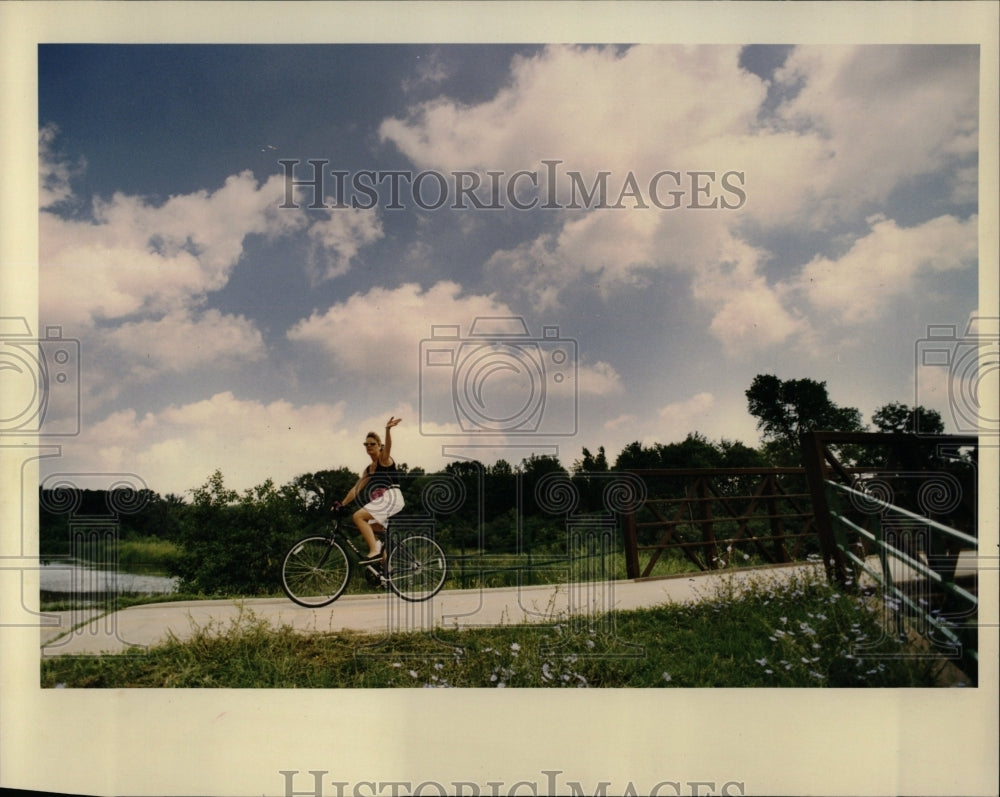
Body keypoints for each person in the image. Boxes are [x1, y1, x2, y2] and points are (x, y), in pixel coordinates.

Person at [333, 416, 405, 565]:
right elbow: (356, 489)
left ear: (380, 445)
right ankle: (386, 572)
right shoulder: (369, 469)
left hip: (392, 496)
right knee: (371, 530)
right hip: (383, 501)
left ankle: (374, 552)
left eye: (372, 444)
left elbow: (389, 447)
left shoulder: (384, 459)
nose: (369, 446)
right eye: (366, 444)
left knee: (358, 517)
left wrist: (387, 430)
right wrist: (342, 504)